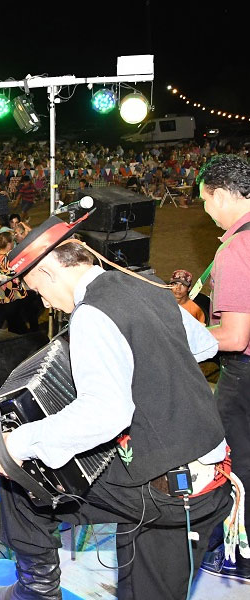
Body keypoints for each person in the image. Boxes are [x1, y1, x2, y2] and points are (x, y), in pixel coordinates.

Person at [0, 215, 232, 600]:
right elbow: (204, 346)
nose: (45, 303)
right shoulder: (141, 282)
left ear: (49, 271)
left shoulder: (92, 313)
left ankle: (37, 589)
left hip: (169, 493)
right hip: (210, 472)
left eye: (38, 290)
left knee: (19, 477)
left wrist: (17, 444)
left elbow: (105, 414)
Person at [195, 155, 250, 581]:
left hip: (244, 375)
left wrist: (179, 339)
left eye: (206, 200)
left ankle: (236, 554)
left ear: (223, 193)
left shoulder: (235, 247)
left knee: (237, 465)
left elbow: (233, 337)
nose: (207, 211)